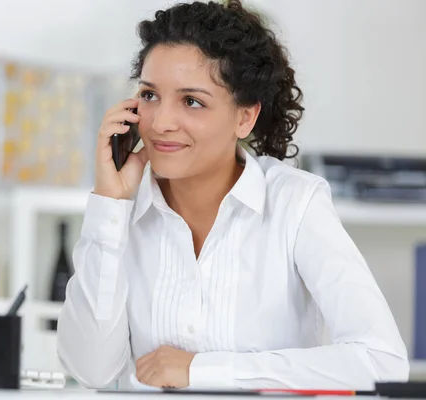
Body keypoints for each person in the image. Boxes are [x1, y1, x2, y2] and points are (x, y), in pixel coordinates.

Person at [56, 0, 409, 391]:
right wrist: (109, 205)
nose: (161, 122)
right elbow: (91, 371)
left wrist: (202, 371)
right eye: (150, 95)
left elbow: (382, 361)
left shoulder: (296, 204)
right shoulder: (121, 209)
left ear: (245, 117)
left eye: (192, 101)